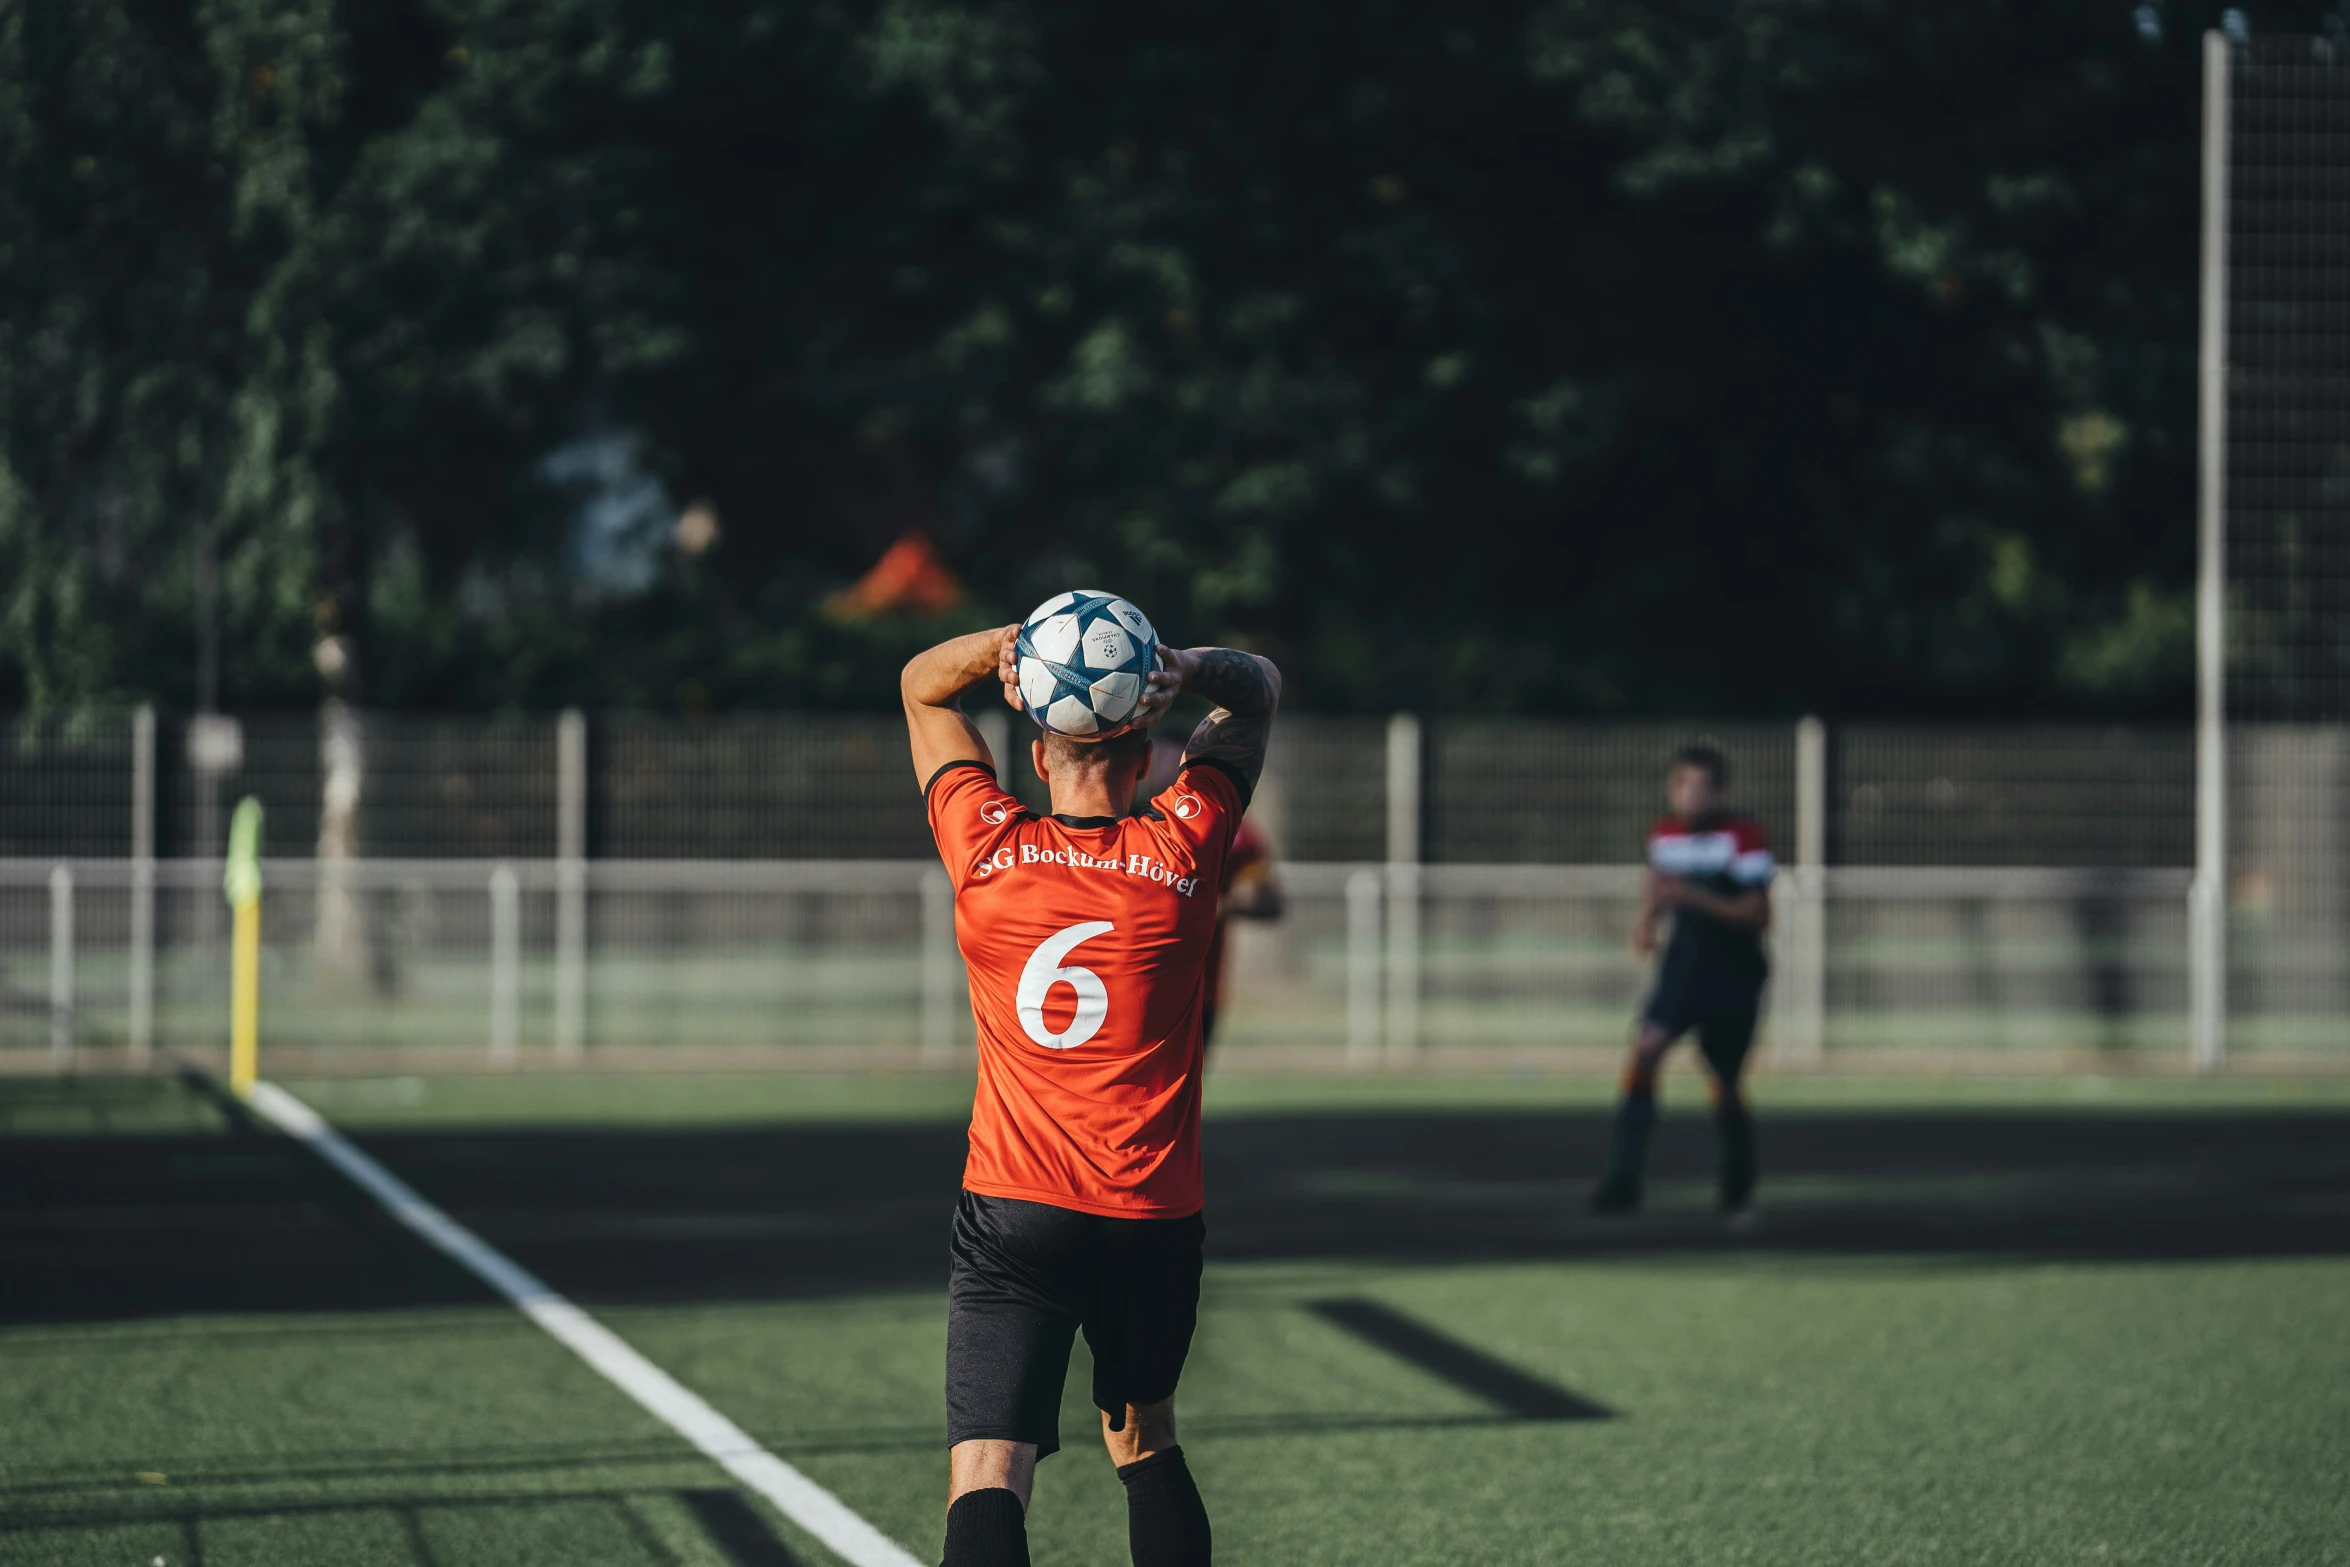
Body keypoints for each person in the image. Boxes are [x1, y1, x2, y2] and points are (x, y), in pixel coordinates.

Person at [902, 618, 1280, 1567]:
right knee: (1146, 1437)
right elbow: (1259, 685)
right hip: (1151, 1211)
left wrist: (1020, 644)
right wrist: (1182, 666)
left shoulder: (984, 851)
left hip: (1015, 1210)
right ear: (1149, 753)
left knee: (989, 1465)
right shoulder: (1188, 848)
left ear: (1034, 750)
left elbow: (920, 684)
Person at [1590, 743, 1773, 1220]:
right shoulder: (1664, 835)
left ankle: (1737, 1185)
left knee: (1725, 1081)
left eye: (1699, 786)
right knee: (1645, 1051)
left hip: (1734, 975)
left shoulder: (1743, 836)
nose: (1687, 795)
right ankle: (1622, 1182)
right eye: (1680, 784)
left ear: (1719, 791)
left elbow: (1756, 913)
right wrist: (1646, 922)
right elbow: (1658, 885)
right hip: (1682, 970)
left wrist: (1691, 897)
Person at [1137, 740, 1283, 1049]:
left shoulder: (1227, 830)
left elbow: (1271, 901)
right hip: (1132, 981)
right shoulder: (1127, 821)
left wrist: (1215, 906)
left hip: (1200, 987)